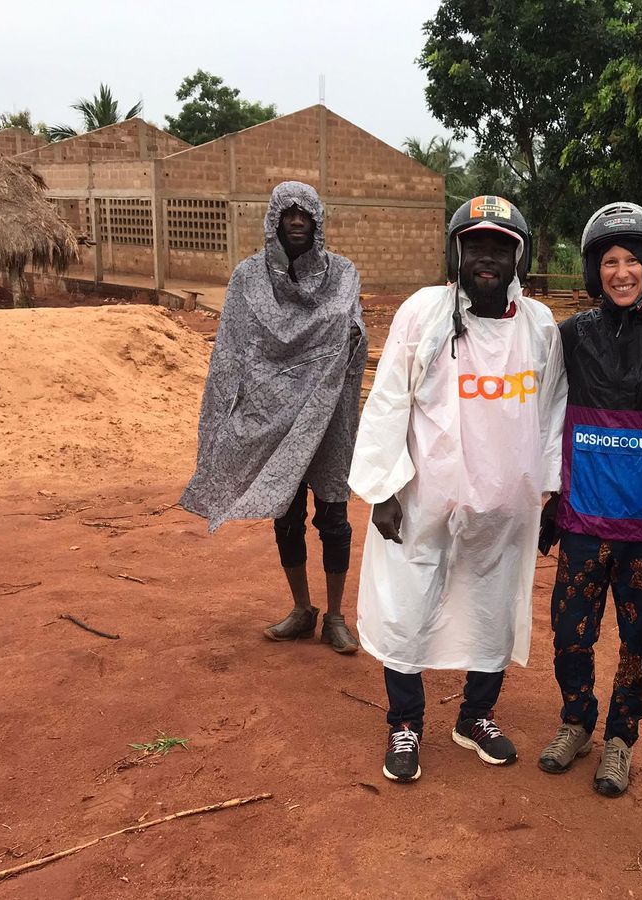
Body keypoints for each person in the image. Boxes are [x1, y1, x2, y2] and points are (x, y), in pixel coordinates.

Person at [349, 195, 566, 784]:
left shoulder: (540, 327)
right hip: (426, 499)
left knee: (493, 612)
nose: (487, 258)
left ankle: (476, 716)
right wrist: (385, 488)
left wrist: (551, 491)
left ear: (518, 256)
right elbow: (391, 398)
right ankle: (406, 724)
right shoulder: (423, 314)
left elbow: (551, 413)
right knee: (408, 608)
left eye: (501, 246)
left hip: (505, 505)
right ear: (458, 252)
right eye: (476, 246)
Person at [537, 202, 642, 797]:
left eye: (633, 260)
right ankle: (577, 720)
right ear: (593, 270)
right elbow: (543, 406)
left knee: (640, 640)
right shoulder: (572, 336)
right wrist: (545, 493)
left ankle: (620, 739)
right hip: (585, 518)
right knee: (570, 631)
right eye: (609, 261)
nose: (622, 272)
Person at [181, 182, 367, 653]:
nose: (298, 221)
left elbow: (355, 334)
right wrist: (224, 416)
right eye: (289, 213)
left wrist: (346, 343)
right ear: (274, 220)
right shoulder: (249, 278)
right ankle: (302, 609)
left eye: (306, 213)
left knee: (334, 516)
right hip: (271, 414)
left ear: (318, 220)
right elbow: (231, 351)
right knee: (285, 515)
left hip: (328, 414)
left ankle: (337, 616)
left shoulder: (343, 274)